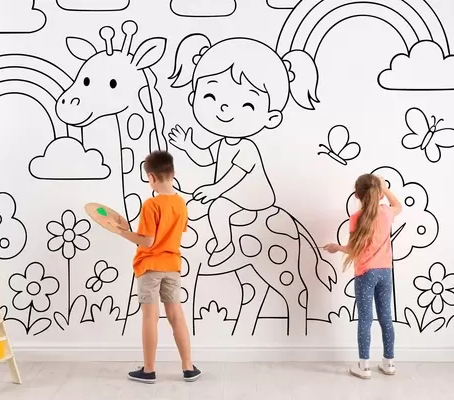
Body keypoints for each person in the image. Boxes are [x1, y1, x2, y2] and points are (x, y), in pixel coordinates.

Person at [168, 34, 318, 267]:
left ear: (271, 117)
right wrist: (188, 146)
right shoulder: (222, 144)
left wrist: (215, 189)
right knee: (198, 205)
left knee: (217, 208)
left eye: (247, 104)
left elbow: (236, 174)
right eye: (210, 96)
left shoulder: (247, 148)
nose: (224, 108)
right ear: (193, 96)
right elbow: (206, 158)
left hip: (252, 198)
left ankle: (224, 245)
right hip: (229, 192)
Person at [115, 150, 201, 384]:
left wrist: (122, 232)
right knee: (176, 315)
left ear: (151, 177)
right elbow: (175, 233)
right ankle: (188, 367)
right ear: (172, 173)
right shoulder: (181, 203)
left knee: (150, 317)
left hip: (150, 267)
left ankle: (149, 370)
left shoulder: (151, 205)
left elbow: (147, 241)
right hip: (172, 266)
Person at [323, 174, 402, 379]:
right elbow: (398, 205)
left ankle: (364, 366)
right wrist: (384, 188)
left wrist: (336, 247)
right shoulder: (386, 212)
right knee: (386, 317)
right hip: (385, 272)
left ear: (357, 195)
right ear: (378, 193)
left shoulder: (357, 217)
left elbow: (353, 249)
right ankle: (389, 363)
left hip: (365, 273)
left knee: (365, 319)